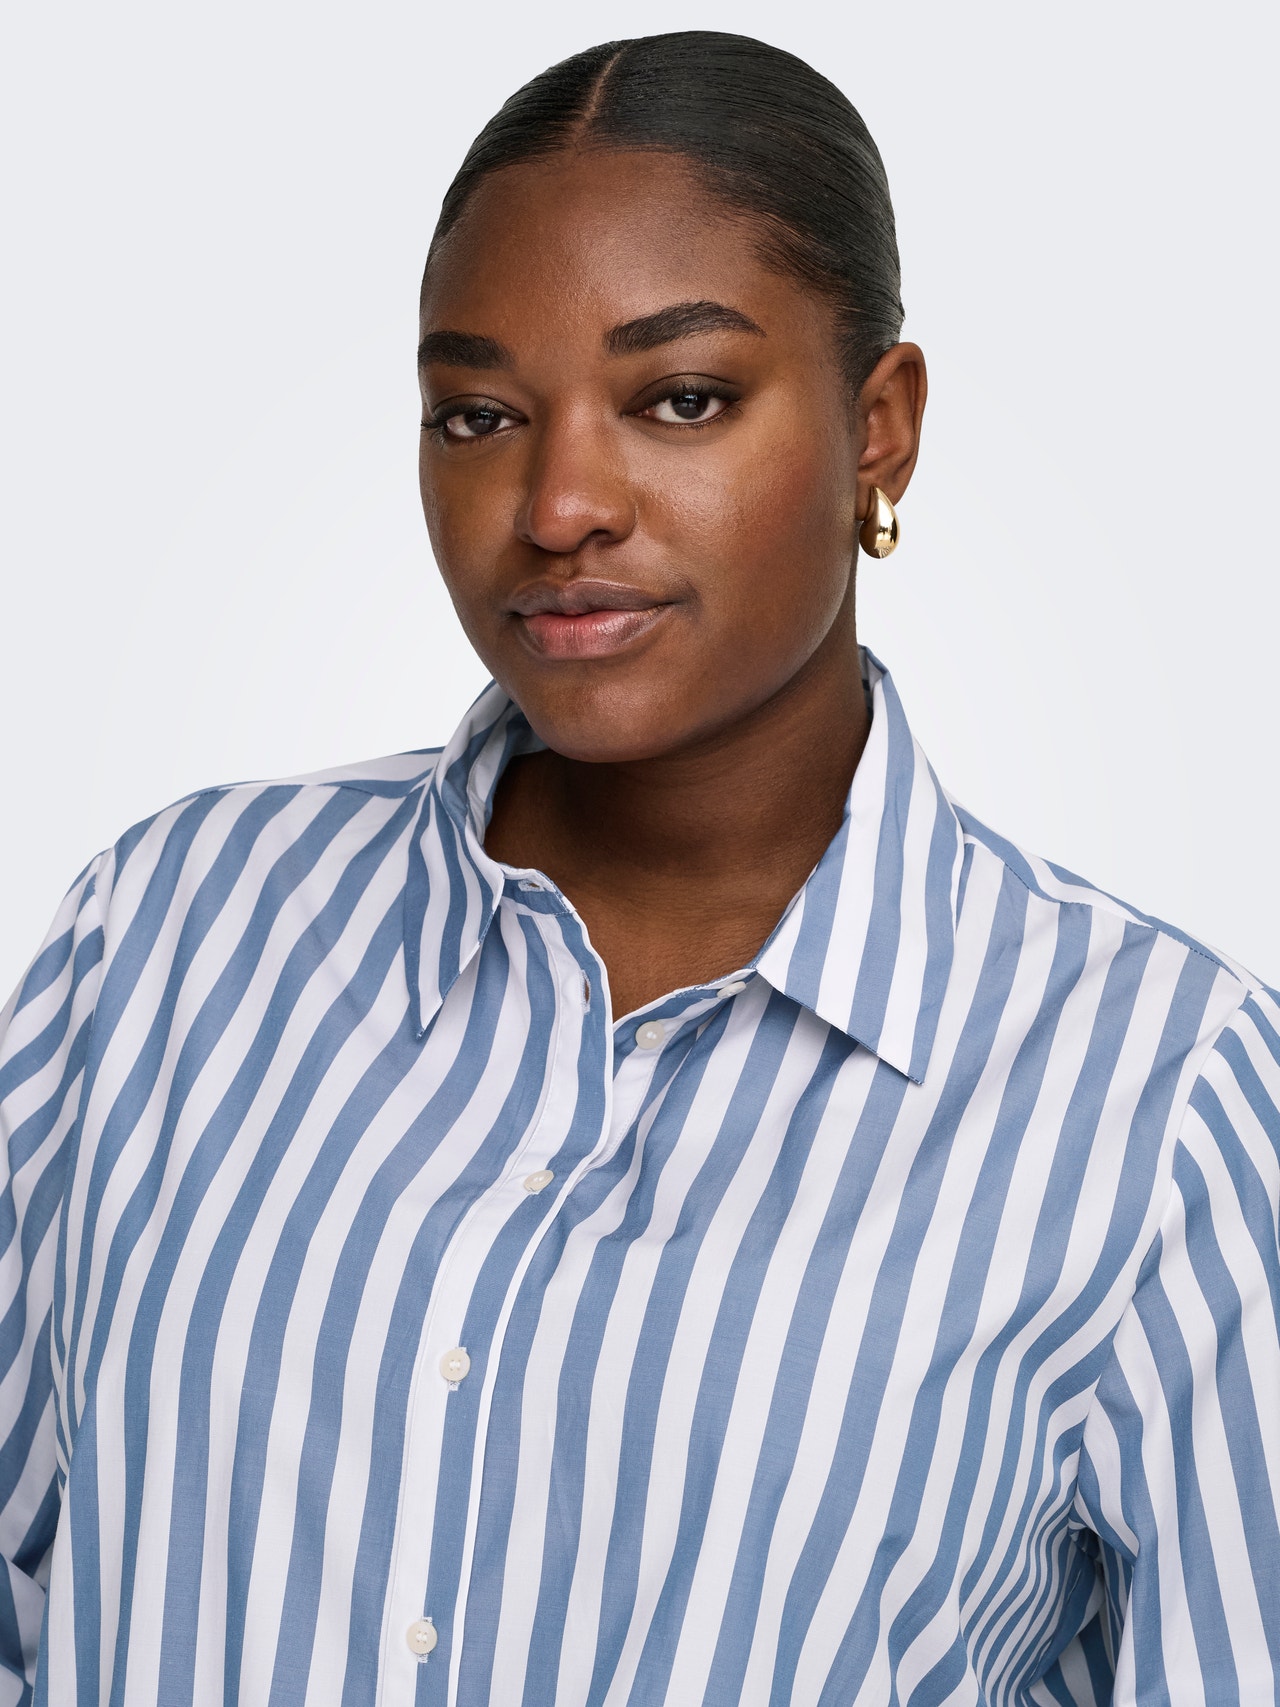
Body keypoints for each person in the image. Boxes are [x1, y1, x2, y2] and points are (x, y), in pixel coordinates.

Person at [1, 29, 1276, 1707]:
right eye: (480, 414)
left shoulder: (1166, 1101)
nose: (559, 505)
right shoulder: (169, 934)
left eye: (682, 399)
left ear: (880, 428)